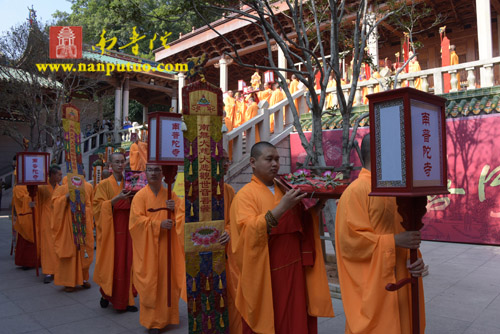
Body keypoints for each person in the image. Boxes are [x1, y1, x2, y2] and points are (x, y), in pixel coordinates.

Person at [229, 142, 334, 334]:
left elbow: (302, 221)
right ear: (253, 162)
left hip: (294, 266)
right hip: (268, 271)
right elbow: (248, 231)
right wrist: (281, 207)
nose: (275, 164)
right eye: (269, 159)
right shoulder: (245, 196)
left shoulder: (285, 188)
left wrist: (318, 206)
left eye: (277, 159)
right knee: (273, 318)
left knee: (296, 318)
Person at [335, 134, 426, 333]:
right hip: (376, 288)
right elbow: (350, 243)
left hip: (401, 278)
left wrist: (415, 260)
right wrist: (393, 241)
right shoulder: (356, 191)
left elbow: (403, 234)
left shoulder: (395, 189)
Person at [129, 164, 186, 334]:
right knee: (151, 282)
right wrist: (157, 224)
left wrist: (174, 208)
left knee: (167, 281)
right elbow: (135, 223)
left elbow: (183, 214)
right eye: (150, 170)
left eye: (157, 170)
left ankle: (168, 317)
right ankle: (153, 322)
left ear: (163, 173)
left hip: (168, 247)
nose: (154, 173)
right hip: (149, 249)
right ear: (145, 173)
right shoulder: (140, 196)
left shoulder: (170, 195)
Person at [93, 152, 138, 312]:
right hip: (112, 229)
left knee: (128, 262)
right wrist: (116, 199)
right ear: (110, 165)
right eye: (117, 162)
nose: (120, 165)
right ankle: (106, 293)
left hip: (128, 227)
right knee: (113, 262)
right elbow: (97, 208)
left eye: (122, 161)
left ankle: (127, 299)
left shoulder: (132, 181)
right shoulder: (104, 184)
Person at [52, 173, 94, 292]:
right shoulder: (63, 188)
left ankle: (84, 279)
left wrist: (86, 212)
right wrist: (66, 197)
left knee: (85, 251)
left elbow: (91, 204)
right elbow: (54, 204)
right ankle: (69, 281)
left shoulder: (88, 187)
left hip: (84, 222)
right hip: (68, 224)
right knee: (70, 252)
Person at [38, 165, 62, 283]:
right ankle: (48, 271)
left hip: (57, 219)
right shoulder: (42, 187)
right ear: (52, 175)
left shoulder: (59, 187)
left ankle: (57, 269)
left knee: (56, 244)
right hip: (46, 218)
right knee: (47, 245)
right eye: (58, 174)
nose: (60, 177)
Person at [12, 184, 40, 269]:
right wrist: (31, 196)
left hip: (37, 214)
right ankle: (27, 262)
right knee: (27, 238)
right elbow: (21, 199)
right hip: (25, 215)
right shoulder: (18, 187)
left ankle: (38, 260)